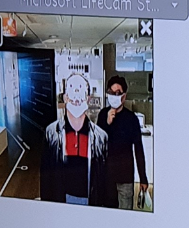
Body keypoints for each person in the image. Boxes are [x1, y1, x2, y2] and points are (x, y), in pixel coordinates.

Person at [40, 72, 111, 206]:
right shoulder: (51, 133)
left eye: (81, 91)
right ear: (65, 97)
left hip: (90, 202)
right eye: (72, 91)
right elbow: (45, 177)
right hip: (61, 201)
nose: (76, 98)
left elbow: (105, 179)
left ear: (88, 98)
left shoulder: (101, 137)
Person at [101, 75, 149, 210]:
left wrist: (143, 178)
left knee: (125, 214)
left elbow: (138, 149)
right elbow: (98, 145)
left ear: (124, 96)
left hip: (125, 176)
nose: (114, 96)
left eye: (117, 93)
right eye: (111, 92)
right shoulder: (102, 115)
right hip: (106, 176)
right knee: (108, 214)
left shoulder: (132, 119)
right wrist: (107, 123)